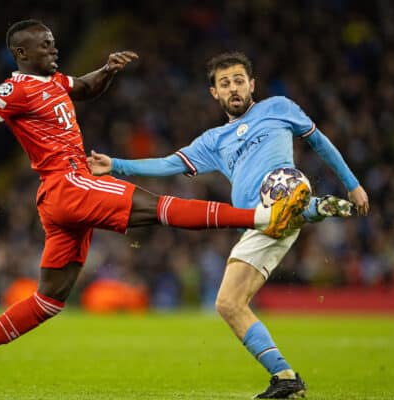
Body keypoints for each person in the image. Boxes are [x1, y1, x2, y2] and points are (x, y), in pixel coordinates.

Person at [0, 21, 308, 397]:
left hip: (60, 199)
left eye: (54, 42)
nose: (54, 49)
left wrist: (107, 69)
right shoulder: (13, 89)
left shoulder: (54, 81)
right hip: (68, 184)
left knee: (49, 300)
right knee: (157, 207)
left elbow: (85, 87)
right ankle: (263, 216)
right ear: (22, 53)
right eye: (45, 44)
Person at [88, 51, 369, 399]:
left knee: (228, 300)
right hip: (257, 225)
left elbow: (319, 142)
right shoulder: (214, 141)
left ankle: (304, 205)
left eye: (239, 81)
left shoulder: (279, 107)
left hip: (280, 196)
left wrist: (352, 184)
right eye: (225, 84)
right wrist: (115, 164)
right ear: (214, 93)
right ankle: (310, 210)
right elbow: (167, 164)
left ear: (252, 85)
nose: (233, 88)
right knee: (232, 303)